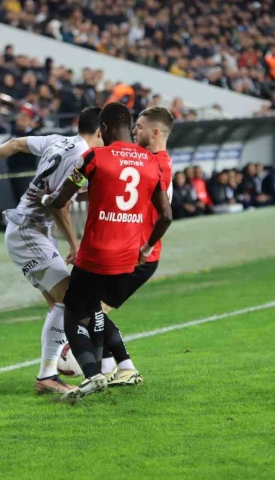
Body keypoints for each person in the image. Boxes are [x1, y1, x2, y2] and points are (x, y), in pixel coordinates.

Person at [34, 102, 172, 402]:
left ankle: (94, 371)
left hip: (95, 253)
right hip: (129, 257)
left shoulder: (94, 156)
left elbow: (60, 201)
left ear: (104, 129)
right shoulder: (151, 162)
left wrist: (46, 199)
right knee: (95, 310)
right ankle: (117, 366)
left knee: (73, 312)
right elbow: (166, 215)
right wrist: (147, 247)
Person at [0, 107, 103, 395]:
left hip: (31, 230)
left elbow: (16, 144)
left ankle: (54, 368)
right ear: (100, 132)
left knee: (60, 304)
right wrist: (75, 244)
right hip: (28, 230)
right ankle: (48, 376)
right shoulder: (81, 156)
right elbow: (59, 205)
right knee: (70, 300)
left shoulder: (58, 140)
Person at [96, 106, 174, 379]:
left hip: (138, 255)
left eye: (139, 126)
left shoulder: (156, 164)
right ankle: (110, 367)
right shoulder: (154, 162)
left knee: (88, 309)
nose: (134, 130)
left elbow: (165, 216)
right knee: (92, 309)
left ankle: (123, 366)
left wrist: (146, 247)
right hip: (133, 253)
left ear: (155, 132)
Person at [7, 108, 39, 203]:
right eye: (18, 120)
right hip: (14, 171)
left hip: (26, 171)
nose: (20, 123)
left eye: (23, 120)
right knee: (17, 199)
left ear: (29, 122)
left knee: (26, 200)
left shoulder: (32, 136)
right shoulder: (14, 135)